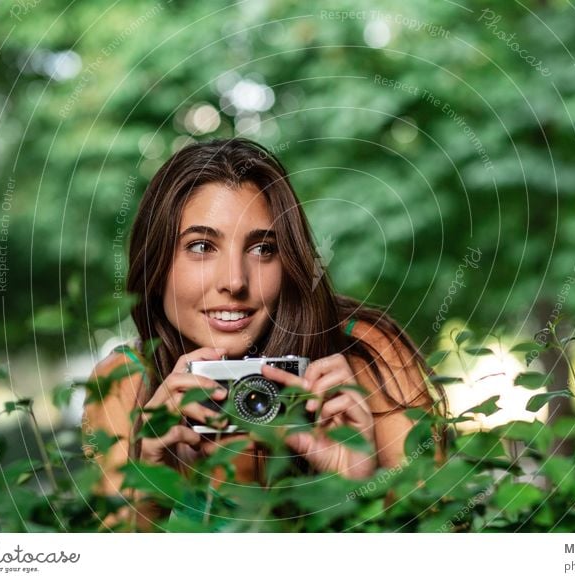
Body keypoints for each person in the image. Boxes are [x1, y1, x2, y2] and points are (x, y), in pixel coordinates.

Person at [82, 137, 446, 529]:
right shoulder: (126, 382)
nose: (235, 281)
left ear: (289, 261)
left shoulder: (361, 352)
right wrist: (150, 494)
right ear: (155, 265)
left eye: (262, 249)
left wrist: (354, 492)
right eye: (202, 246)